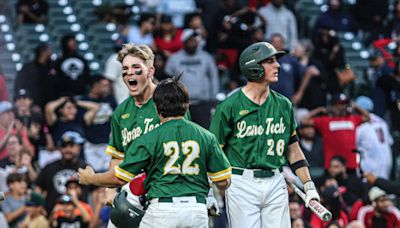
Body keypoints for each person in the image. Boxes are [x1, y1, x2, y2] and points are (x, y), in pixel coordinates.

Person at [209, 41, 320, 228]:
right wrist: (211, 191)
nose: (277, 65)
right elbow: (212, 154)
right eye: (270, 61)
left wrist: (308, 185)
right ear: (252, 67)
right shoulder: (229, 106)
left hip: (277, 180)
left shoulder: (284, 105)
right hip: (241, 182)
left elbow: (293, 150)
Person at [106, 75, 232, 228]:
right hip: (195, 208)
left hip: (162, 206)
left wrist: (92, 178)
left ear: (157, 108)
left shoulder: (149, 138)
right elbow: (222, 180)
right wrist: (212, 193)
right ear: (187, 105)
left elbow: (120, 177)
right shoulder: (205, 136)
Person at [301, 93, 370, 171]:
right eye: (339, 104)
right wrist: (319, 109)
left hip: (351, 164)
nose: (342, 107)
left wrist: (356, 106)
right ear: (332, 106)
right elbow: (304, 120)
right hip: (332, 166)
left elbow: (367, 117)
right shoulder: (325, 121)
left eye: (344, 104)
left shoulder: (352, 119)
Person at [165, 28, 219, 128]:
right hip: (181, 105)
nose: (192, 43)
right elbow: (168, 81)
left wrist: (213, 98)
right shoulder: (174, 58)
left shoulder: (206, 57)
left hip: (202, 104)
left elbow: (214, 78)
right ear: (184, 42)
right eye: (189, 40)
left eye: (194, 40)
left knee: (204, 133)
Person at [35, 131, 87, 214]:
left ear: (78, 148)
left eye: (71, 146)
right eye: (64, 146)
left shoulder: (85, 168)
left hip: (80, 218)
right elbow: (38, 188)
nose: (67, 149)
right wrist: (39, 208)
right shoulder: (49, 167)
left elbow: (95, 192)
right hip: (53, 217)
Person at [79, 76, 117, 172]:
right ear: (95, 86)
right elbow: (86, 122)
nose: (107, 88)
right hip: (91, 144)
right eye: (104, 85)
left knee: (108, 172)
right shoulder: (84, 100)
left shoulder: (110, 99)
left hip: (107, 143)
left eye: (108, 86)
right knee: (93, 173)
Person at [355, 96, 393, 179]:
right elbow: (389, 142)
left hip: (371, 163)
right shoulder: (382, 121)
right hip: (387, 162)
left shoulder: (361, 126)